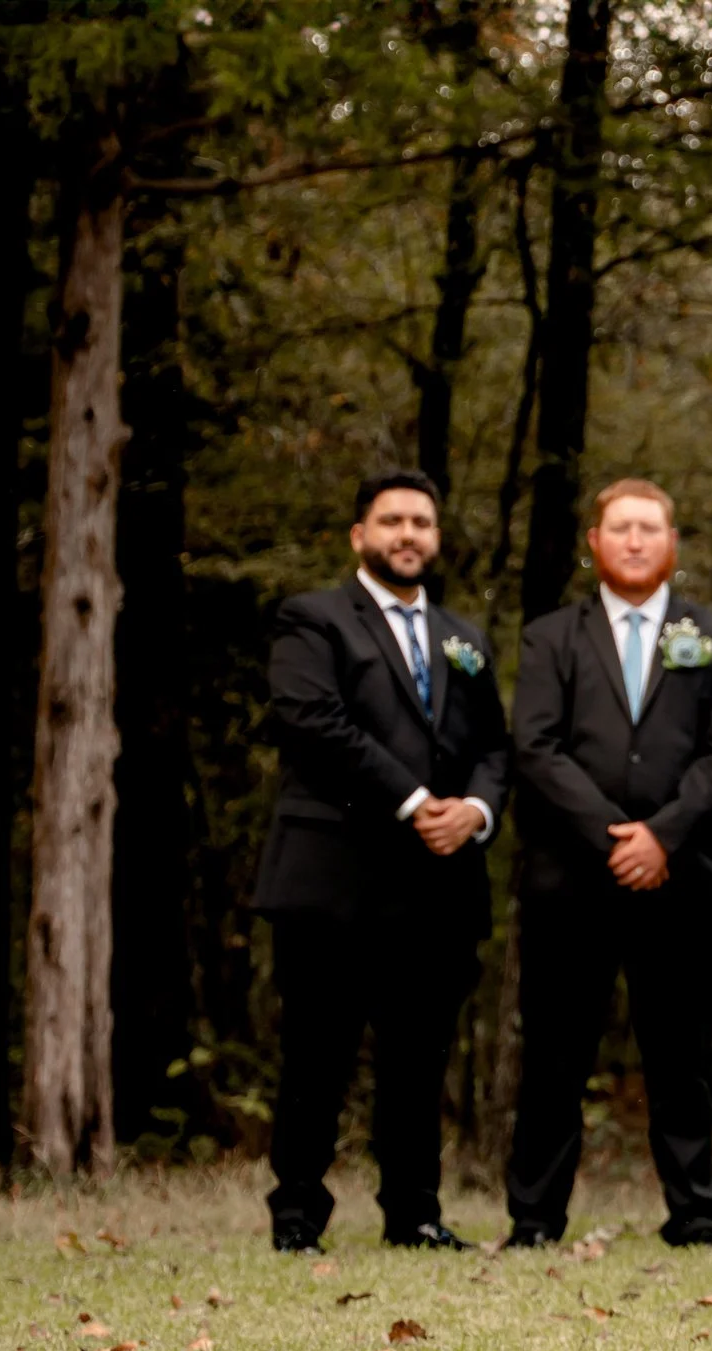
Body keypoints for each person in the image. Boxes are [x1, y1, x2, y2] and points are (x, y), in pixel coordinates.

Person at [253, 469, 510, 1253]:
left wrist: (473, 808)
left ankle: (415, 1214)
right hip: (335, 874)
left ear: (436, 537)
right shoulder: (314, 620)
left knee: (418, 1058)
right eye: (392, 520)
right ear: (359, 534)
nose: (409, 535)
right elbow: (312, 721)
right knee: (316, 1056)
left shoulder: (464, 638)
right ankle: (298, 1215)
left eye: (422, 522)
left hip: (436, 883)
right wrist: (415, 799)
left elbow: (495, 745)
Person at [503, 479, 712, 1249]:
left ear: (673, 541)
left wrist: (663, 836)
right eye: (622, 528)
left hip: (680, 880)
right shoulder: (552, 637)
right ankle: (536, 1220)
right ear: (596, 541)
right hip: (570, 881)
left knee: (681, 1054)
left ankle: (695, 1215)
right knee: (554, 1053)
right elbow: (537, 747)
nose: (637, 540)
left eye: (651, 527)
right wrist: (617, 835)